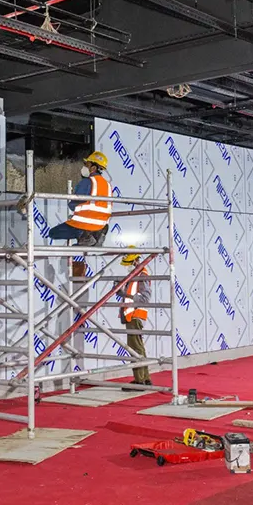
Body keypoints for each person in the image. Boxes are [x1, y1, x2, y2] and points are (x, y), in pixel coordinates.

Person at [47, 151, 111, 246]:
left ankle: (85, 236)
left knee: (53, 233)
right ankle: (94, 236)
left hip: (83, 225)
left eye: (87, 164)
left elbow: (73, 205)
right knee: (77, 242)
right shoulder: (107, 185)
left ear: (93, 168)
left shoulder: (87, 181)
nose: (84, 167)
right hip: (101, 225)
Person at [117, 248, 152, 386]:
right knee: (139, 348)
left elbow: (145, 298)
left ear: (136, 261)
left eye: (130, 263)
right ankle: (145, 378)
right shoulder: (136, 276)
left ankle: (140, 381)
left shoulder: (141, 275)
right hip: (133, 316)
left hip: (134, 316)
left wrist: (124, 294)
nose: (128, 267)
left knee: (135, 349)